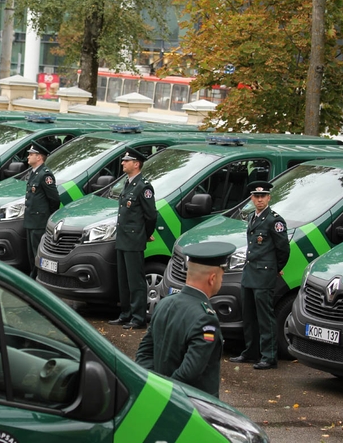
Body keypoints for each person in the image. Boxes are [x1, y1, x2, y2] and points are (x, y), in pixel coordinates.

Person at [135, 242, 236, 398]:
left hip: (166, 399)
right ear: (212, 278)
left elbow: (144, 354)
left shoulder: (164, 304)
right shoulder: (206, 319)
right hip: (194, 405)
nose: (221, 280)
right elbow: (191, 371)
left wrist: (158, 389)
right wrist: (169, 395)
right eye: (222, 275)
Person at [229, 181, 290, 370]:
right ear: (252, 198)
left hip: (264, 274)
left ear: (269, 197)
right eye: (256, 196)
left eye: (263, 196)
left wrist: (274, 267)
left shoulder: (274, 220)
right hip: (250, 272)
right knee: (249, 315)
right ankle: (251, 351)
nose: (259, 199)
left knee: (265, 316)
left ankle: (269, 356)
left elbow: (283, 249)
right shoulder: (252, 217)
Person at [109, 147, 157, 329]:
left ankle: (138, 317)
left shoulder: (144, 187)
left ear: (136, 164)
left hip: (134, 239)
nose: (122, 163)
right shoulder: (128, 183)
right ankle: (126, 313)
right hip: (123, 238)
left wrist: (144, 234)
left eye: (126, 161)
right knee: (123, 279)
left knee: (135, 280)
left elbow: (151, 215)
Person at [24, 143, 60, 278]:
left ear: (39, 157)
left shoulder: (45, 175)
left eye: (31, 154)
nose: (28, 157)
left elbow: (54, 199)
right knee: (30, 254)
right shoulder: (34, 173)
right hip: (30, 221)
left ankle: (37, 279)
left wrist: (46, 216)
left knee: (36, 253)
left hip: (39, 221)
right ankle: (32, 277)